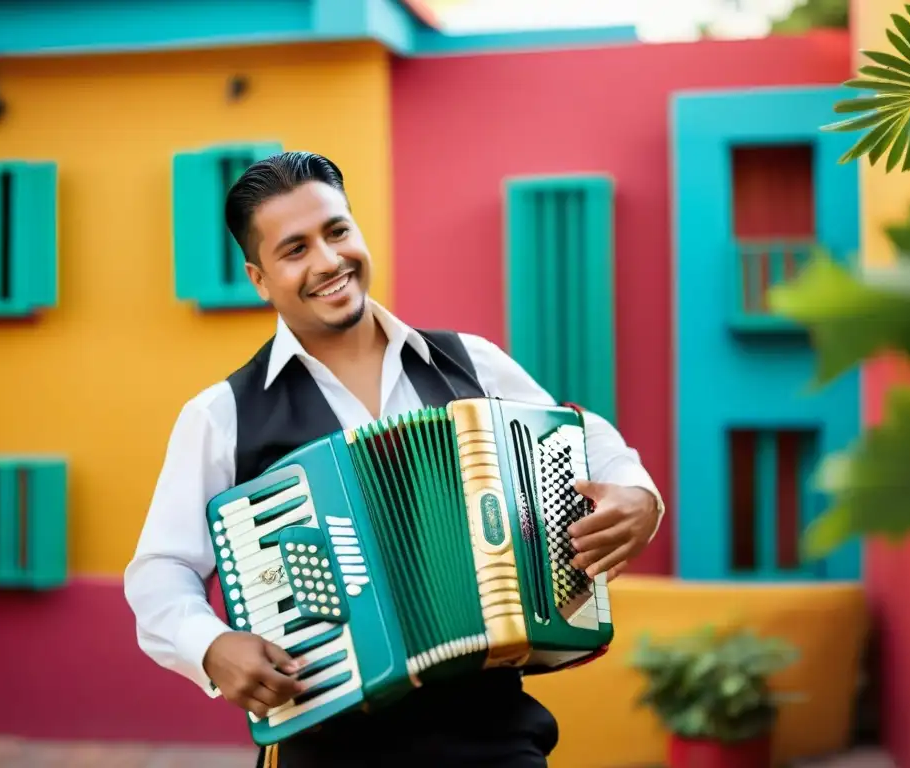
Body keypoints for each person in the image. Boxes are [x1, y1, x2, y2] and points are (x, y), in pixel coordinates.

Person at [124, 151, 665, 768]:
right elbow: (160, 568)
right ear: (259, 278)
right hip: (330, 745)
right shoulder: (222, 414)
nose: (329, 262)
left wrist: (638, 493)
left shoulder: (470, 361)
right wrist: (212, 645)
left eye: (337, 231)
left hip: (494, 736)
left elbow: (580, 434)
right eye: (294, 250)